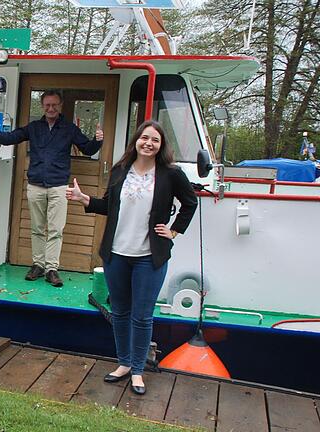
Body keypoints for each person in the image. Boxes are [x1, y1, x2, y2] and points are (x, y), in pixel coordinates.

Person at [65, 120, 197, 395]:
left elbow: (190, 202)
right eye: (144, 138)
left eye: (155, 140)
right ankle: (124, 363)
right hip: (116, 255)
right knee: (121, 313)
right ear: (136, 140)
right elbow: (108, 206)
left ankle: (138, 370)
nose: (149, 143)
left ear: (161, 146)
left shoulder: (171, 174)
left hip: (149, 256)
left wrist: (174, 231)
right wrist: (83, 198)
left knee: (142, 316)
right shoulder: (120, 170)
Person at [0, 90, 103, 287]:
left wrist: (98, 140)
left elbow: (88, 149)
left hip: (58, 186)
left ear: (60, 106)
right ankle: (38, 265)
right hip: (35, 186)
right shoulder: (34, 127)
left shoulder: (69, 129)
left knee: (56, 230)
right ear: (42, 106)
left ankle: (52, 268)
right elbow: (10, 138)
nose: (51, 108)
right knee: (37, 229)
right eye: (47, 105)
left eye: (54, 105)